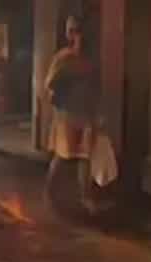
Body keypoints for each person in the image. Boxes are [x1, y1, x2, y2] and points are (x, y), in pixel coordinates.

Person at [42, 14, 99, 215]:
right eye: (73, 32)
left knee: (85, 157)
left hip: (86, 113)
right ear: (69, 35)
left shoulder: (89, 60)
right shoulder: (63, 58)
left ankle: (86, 197)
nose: (78, 36)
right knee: (63, 155)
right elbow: (50, 84)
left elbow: (94, 88)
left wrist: (96, 112)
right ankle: (50, 193)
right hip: (67, 114)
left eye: (80, 31)